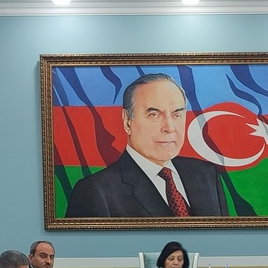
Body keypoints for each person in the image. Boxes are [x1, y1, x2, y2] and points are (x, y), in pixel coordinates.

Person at [64, 73, 227, 218]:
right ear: (127, 121)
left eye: (177, 114)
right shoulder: (95, 191)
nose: (169, 127)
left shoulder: (207, 174)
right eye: (154, 114)